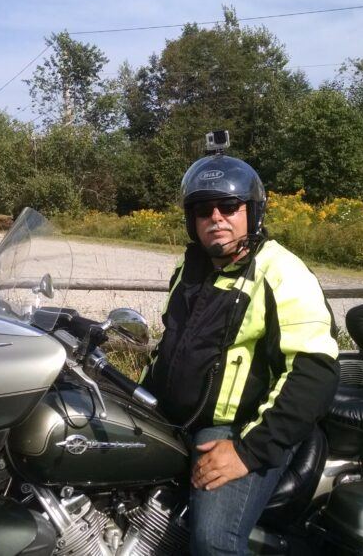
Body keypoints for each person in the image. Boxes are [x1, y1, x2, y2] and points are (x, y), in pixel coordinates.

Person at [142, 154, 340, 555]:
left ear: (252, 212)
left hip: (238, 430)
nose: (216, 217)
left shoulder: (282, 273)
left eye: (229, 207)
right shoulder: (192, 268)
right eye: (202, 209)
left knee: (214, 541)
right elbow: (173, 348)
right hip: (179, 419)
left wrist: (247, 452)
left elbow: (313, 372)